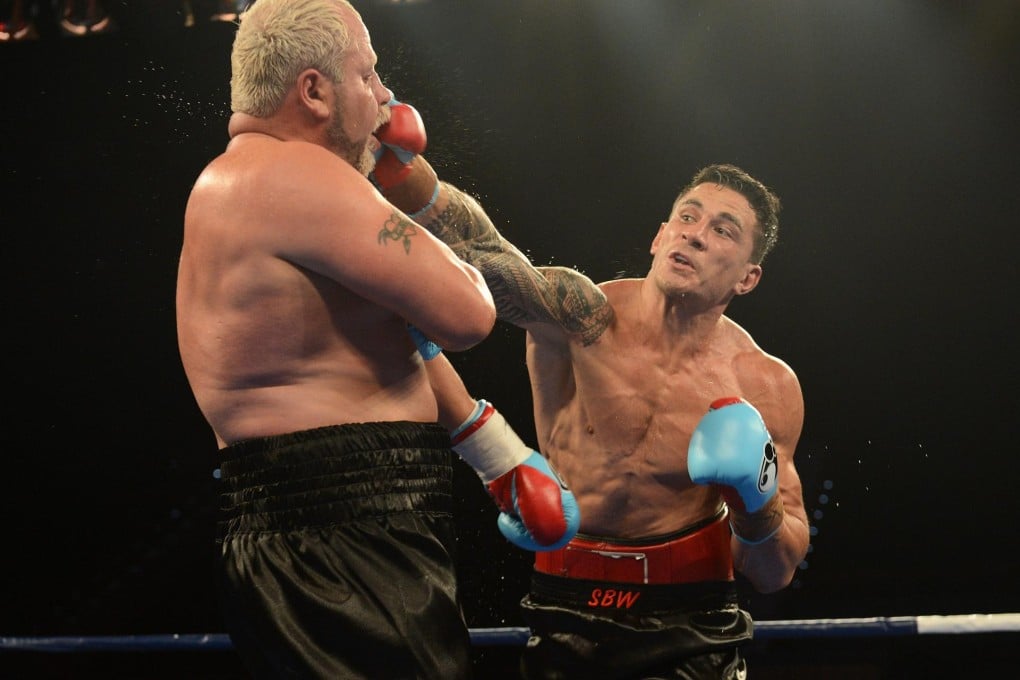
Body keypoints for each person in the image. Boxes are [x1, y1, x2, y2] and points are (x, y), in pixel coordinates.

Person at [175, 1, 578, 678]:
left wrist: (499, 456)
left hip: (302, 532)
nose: (388, 98)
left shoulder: (239, 181)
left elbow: (391, 335)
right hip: (350, 537)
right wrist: (407, 188)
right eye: (368, 74)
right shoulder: (300, 175)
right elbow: (467, 312)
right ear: (313, 91)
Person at [382, 125, 811, 677]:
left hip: (691, 620)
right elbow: (481, 251)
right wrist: (398, 174)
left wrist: (756, 501)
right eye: (688, 217)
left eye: (723, 231)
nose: (696, 235)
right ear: (660, 237)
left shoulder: (766, 384)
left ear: (748, 278)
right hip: (564, 605)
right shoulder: (583, 318)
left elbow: (775, 572)